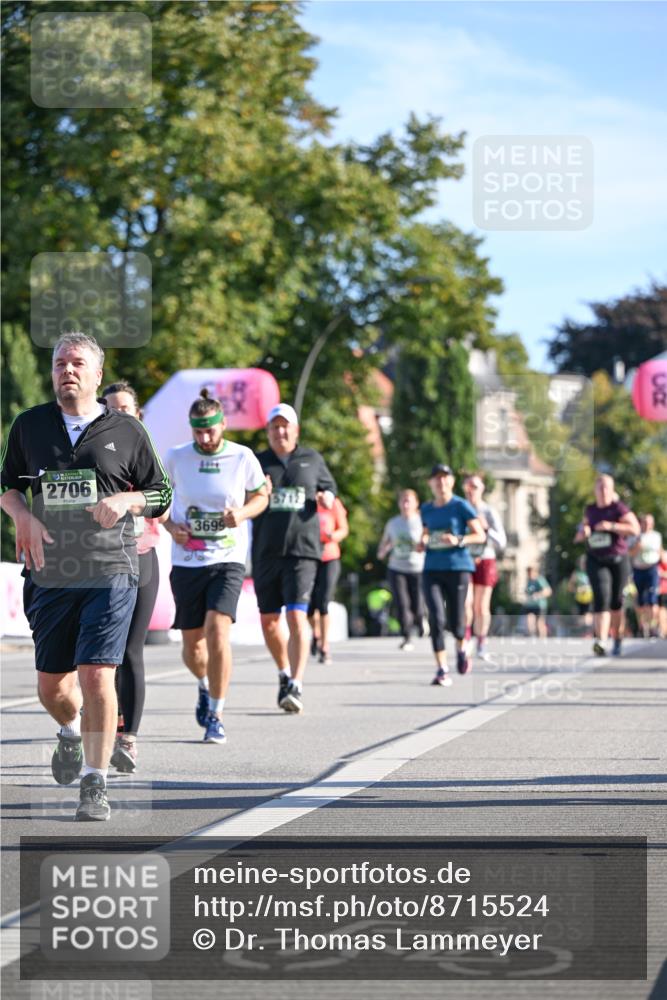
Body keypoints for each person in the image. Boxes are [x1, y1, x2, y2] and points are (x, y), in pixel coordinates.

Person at [0, 332, 171, 821]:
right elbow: (7, 486)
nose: (66, 371)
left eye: (77, 363)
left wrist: (126, 500)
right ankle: (70, 732)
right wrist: (22, 517)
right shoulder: (29, 426)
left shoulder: (128, 431)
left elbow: (161, 494)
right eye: (59, 364)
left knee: (98, 673)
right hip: (50, 572)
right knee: (52, 688)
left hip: (111, 568)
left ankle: (94, 783)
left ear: (96, 375)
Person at [163, 390, 268, 744]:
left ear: (223, 425)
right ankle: (205, 686)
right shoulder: (176, 457)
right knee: (192, 647)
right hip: (187, 559)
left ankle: (217, 714)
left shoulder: (242, 457)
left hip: (227, 558)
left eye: (210, 431)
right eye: (198, 432)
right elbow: (158, 497)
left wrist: (241, 513)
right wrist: (170, 527)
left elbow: (261, 496)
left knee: (217, 630)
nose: (204, 438)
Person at [251, 403, 337, 714]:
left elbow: (330, 489)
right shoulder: (257, 462)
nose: (280, 431)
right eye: (274, 426)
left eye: (285, 426)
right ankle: (284, 673)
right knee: (270, 621)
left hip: (303, 551)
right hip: (266, 551)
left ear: (296, 430)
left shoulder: (312, 459)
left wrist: (327, 496)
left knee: (297, 617)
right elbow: (239, 496)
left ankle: (297, 684)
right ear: (268, 431)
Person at [101, 381, 168, 773]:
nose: (118, 414)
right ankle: (96, 729)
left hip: (140, 555)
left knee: (130, 650)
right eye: (111, 408)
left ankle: (128, 739)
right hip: (98, 561)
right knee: (96, 654)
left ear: (138, 414)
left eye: (125, 408)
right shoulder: (92, 450)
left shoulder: (146, 450)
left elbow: (162, 502)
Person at [420, 464, 485, 685]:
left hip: (457, 567)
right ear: (430, 484)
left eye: (445, 478)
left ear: (452, 481)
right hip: (431, 569)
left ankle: (461, 648)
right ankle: (441, 669)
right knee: (436, 618)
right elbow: (426, 533)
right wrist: (423, 542)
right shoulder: (426, 509)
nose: (441, 483)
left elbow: (480, 535)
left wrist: (458, 540)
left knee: (457, 620)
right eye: (436, 479)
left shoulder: (461, 506)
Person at [574, 473, 639, 656]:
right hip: (596, 559)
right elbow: (580, 533)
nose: (603, 491)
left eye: (606, 487)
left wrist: (612, 526)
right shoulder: (590, 510)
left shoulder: (619, 509)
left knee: (616, 602)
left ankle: (617, 638)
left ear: (612, 490)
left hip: (618, 559)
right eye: (600, 487)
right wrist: (584, 531)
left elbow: (635, 529)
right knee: (601, 597)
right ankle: (601, 640)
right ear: (595, 490)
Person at [462, 473, 506, 659]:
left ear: (482, 490)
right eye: (469, 487)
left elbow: (501, 542)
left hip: (485, 559)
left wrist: (485, 528)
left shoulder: (489, 511)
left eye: (476, 487)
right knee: (466, 603)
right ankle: (465, 639)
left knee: (481, 606)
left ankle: (481, 642)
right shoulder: (460, 509)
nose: (472, 490)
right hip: (464, 560)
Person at [377, 489, 425, 651]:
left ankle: (420, 620)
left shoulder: (421, 521)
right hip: (396, 568)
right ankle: (407, 636)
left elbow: (428, 541)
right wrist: (383, 550)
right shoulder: (393, 523)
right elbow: (385, 542)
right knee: (402, 603)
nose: (405, 504)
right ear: (399, 504)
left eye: (408, 501)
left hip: (418, 568)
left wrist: (423, 546)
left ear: (415, 503)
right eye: (403, 501)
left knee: (417, 605)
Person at [308, 494, 349, 665]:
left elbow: (344, 529)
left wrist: (333, 536)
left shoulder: (333, 502)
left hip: (329, 558)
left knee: (323, 601)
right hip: (308, 557)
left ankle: (325, 647)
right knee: (309, 605)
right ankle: (316, 633)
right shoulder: (305, 501)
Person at [629, 514, 663, 638]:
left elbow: (660, 552)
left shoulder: (656, 536)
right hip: (638, 570)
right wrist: (637, 547)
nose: (647, 525)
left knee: (652, 599)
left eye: (649, 523)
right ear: (641, 523)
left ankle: (653, 626)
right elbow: (629, 553)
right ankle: (643, 626)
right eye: (645, 522)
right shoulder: (635, 536)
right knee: (640, 602)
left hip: (652, 569)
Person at [567, 555, 594, 633]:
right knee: (580, 618)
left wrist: (588, 588)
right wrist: (577, 589)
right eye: (582, 563)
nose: (584, 565)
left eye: (585, 563)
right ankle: (583, 632)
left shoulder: (592, 571)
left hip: (590, 598)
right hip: (579, 599)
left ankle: (588, 632)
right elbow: (569, 587)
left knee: (588, 616)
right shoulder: (576, 573)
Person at [523, 566, 552, 639]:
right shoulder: (529, 581)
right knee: (529, 622)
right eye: (528, 573)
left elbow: (548, 591)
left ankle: (542, 639)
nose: (529, 575)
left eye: (531, 573)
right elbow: (528, 592)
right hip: (530, 605)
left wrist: (538, 595)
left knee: (540, 624)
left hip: (540, 605)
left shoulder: (540, 580)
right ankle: (532, 638)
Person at [657, 548, 667, 639]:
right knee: (662, 611)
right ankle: (664, 631)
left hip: (663, 590)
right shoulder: (657, 564)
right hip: (662, 590)